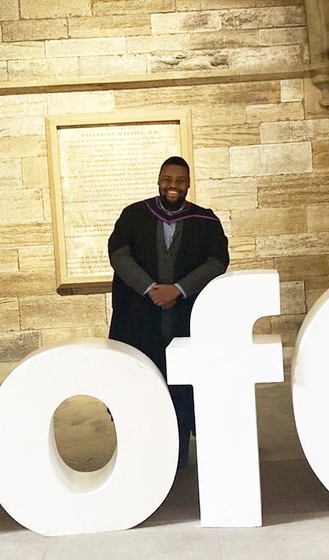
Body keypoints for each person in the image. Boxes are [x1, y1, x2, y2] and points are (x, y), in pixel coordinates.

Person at [108, 156, 229, 467]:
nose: (172, 186)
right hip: (140, 318)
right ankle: (147, 452)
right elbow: (119, 255)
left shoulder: (205, 221)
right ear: (159, 180)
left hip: (186, 319)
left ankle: (179, 455)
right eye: (167, 179)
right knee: (144, 382)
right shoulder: (133, 216)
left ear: (188, 184)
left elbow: (217, 262)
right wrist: (151, 289)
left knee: (183, 384)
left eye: (179, 180)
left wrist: (178, 289)